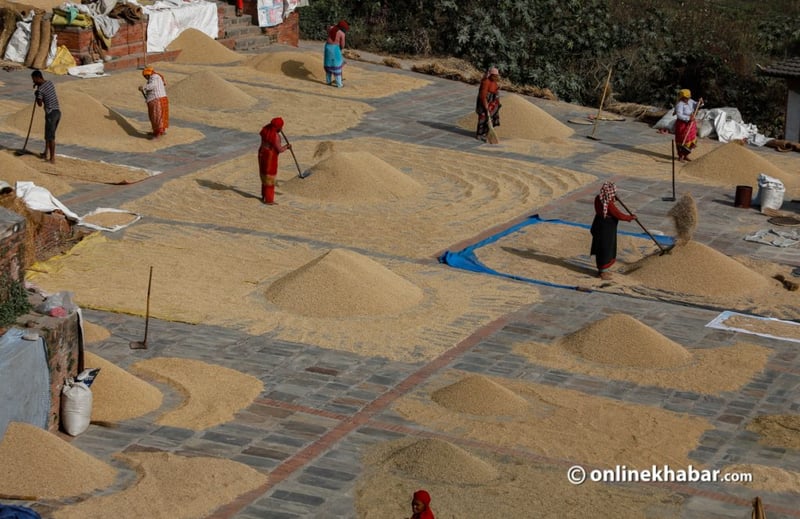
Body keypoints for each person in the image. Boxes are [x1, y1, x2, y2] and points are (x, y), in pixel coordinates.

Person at [590, 181, 636, 280]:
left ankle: (603, 270)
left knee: (603, 247)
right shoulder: (608, 204)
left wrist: (612, 199)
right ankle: (602, 272)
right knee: (605, 248)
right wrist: (630, 217)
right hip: (605, 228)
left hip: (599, 224)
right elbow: (617, 214)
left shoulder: (599, 198)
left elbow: (606, 204)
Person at [258, 117, 291, 205]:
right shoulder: (276, 136)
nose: (282, 129)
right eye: (281, 127)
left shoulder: (265, 130)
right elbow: (279, 149)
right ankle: (269, 200)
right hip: (270, 158)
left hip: (262, 153)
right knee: (270, 178)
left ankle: (264, 195)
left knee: (264, 175)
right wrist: (287, 147)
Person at [31, 70, 60, 163]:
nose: (33, 81)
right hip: (58, 112)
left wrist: (37, 94)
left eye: (34, 80)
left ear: (37, 78)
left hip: (51, 114)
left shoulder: (40, 90)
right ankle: (45, 153)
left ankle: (52, 159)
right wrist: (38, 87)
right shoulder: (49, 83)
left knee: (50, 137)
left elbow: (39, 104)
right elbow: (45, 90)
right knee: (48, 135)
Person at [138, 66, 169, 139]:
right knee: (158, 116)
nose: (146, 78)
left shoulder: (154, 77)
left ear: (148, 74)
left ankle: (158, 134)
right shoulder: (156, 77)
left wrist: (143, 87)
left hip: (157, 99)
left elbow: (153, 85)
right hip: (159, 99)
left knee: (157, 117)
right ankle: (158, 131)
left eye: (146, 76)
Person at [673, 88, 703, 162]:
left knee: (691, 139)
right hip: (682, 125)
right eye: (686, 98)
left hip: (691, 124)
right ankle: (681, 156)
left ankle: (686, 155)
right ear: (682, 97)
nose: (687, 99)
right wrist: (688, 118)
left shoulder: (690, 101)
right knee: (682, 140)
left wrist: (700, 102)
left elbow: (697, 105)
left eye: (688, 97)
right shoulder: (679, 105)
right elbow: (679, 115)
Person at [475, 67, 501, 141]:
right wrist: (486, 106)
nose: (497, 77)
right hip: (484, 101)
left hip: (491, 102)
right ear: (491, 75)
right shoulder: (486, 82)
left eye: (497, 76)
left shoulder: (494, 81)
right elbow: (483, 95)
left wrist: (496, 100)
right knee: (483, 117)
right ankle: (480, 134)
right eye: (495, 76)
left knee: (491, 118)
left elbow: (496, 90)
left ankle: (486, 132)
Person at [323, 20, 349, 88]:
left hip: (327, 47)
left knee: (328, 64)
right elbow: (342, 45)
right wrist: (340, 49)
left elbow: (327, 28)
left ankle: (328, 81)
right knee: (336, 65)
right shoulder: (342, 34)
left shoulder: (331, 28)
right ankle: (339, 84)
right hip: (335, 48)